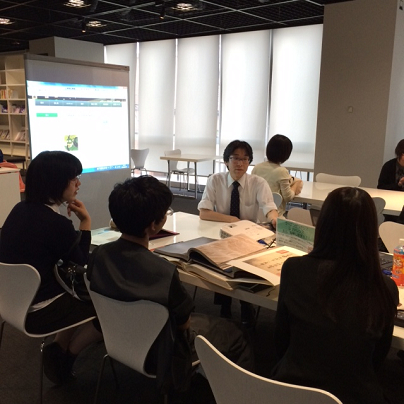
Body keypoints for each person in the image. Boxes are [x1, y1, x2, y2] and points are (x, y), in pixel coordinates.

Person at [86, 176, 254, 396]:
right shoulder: (163, 272)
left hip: (118, 338)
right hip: (163, 352)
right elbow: (184, 324)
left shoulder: (99, 255)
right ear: (154, 225)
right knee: (235, 332)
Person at [272, 187, 398, 404]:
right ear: (371, 231)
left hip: (290, 391)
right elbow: (377, 358)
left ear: (322, 223)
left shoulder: (294, 269)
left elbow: (281, 340)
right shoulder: (384, 288)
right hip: (355, 395)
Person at [0, 151, 102, 385]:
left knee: (77, 293)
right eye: (74, 178)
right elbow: (80, 263)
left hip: (10, 303)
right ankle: (66, 354)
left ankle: (59, 346)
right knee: (106, 303)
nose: (78, 183)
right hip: (40, 312)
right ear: (57, 182)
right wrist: (85, 223)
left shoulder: (19, 210)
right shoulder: (56, 223)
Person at [198, 140, 278, 323]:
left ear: (249, 162)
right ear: (226, 161)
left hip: (250, 238)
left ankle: (245, 304)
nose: (240, 163)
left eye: (245, 159)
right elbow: (204, 212)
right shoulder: (215, 180)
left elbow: (269, 208)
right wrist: (233, 220)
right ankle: (225, 305)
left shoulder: (258, 183)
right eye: (235, 158)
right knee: (221, 258)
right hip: (222, 235)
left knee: (246, 264)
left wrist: (274, 219)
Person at [251, 134, 303, 216]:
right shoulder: (282, 171)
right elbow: (288, 197)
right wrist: (296, 184)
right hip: (275, 215)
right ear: (286, 154)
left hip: (257, 215)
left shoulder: (257, 167)